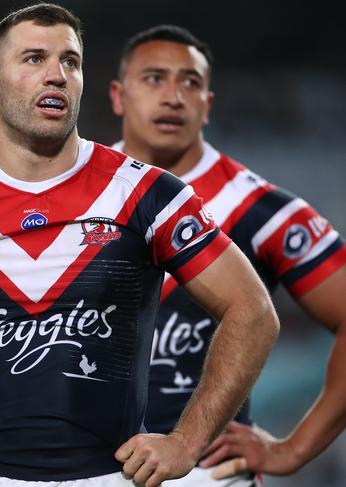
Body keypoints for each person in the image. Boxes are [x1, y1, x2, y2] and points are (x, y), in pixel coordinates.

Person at [0, 4, 279, 487]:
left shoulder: (148, 194)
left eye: (70, 61)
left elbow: (252, 312)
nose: (57, 75)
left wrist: (187, 441)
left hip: (112, 477)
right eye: (34, 59)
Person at [108, 25, 346, 486]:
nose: (174, 96)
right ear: (119, 96)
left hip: (207, 474)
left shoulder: (262, 210)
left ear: (207, 105)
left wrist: (293, 449)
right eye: (154, 78)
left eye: (190, 82)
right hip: (79, 469)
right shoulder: (74, 191)